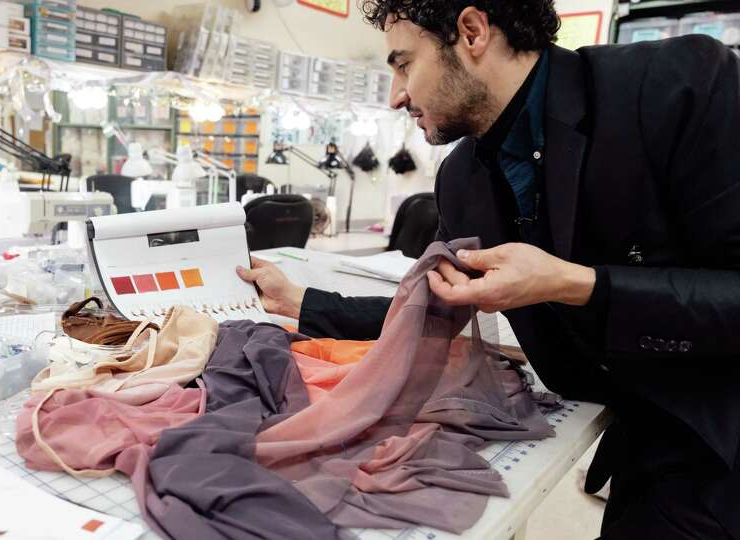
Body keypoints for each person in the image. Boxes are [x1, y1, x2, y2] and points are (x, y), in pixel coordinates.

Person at [238, 1, 740, 538]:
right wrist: (300, 302)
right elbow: (427, 302)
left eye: (405, 64)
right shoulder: (463, 178)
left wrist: (577, 285)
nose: (395, 95)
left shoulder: (677, 86)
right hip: (644, 440)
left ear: (472, 32)